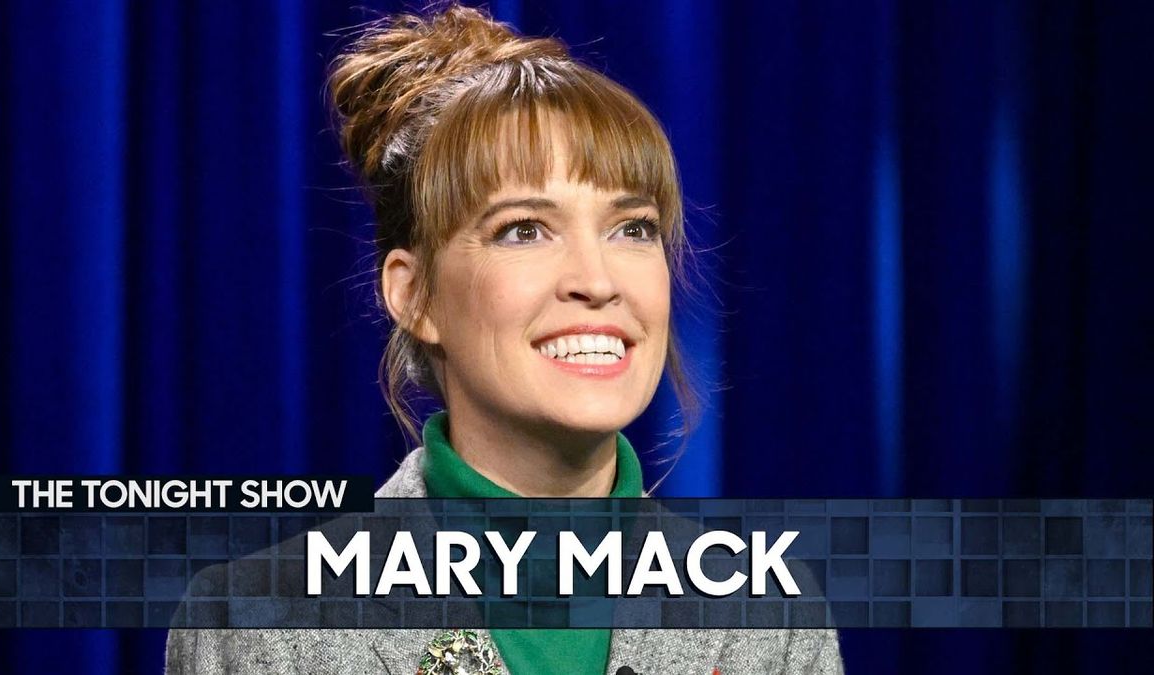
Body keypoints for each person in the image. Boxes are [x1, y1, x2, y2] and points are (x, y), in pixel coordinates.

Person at [166, 4, 842, 673]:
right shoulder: (252, 627)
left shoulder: (771, 623)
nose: (597, 281)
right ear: (414, 294)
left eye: (632, 229)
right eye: (524, 230)